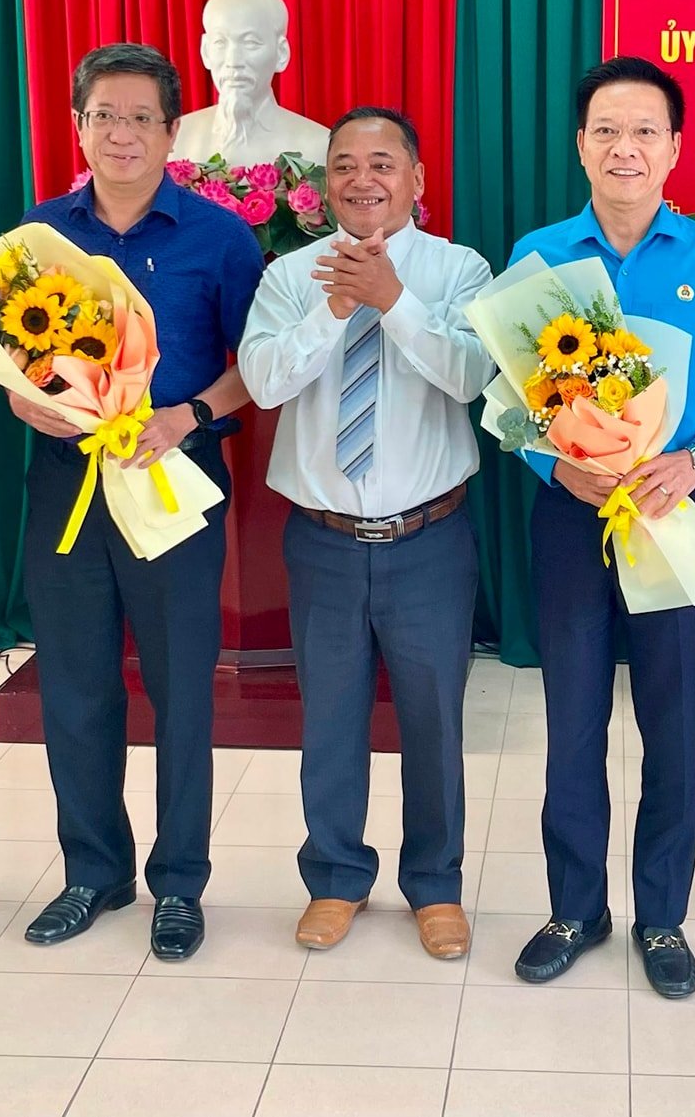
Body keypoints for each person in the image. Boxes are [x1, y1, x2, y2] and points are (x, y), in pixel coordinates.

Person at [506, 56, 695, 999]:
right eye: (606, 132)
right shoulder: (539, 256)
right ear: (580, 145)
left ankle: (661, 914)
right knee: (572, 722)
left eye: (645, 132)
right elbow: (504, 401)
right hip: (571, 517)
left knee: (673, 724)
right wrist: (557, 464)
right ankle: (575, 908)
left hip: (674, 511)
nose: (626, 148)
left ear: (674, 147)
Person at [14, 43, 265, 962]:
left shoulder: (219, 239)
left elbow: (257, 371)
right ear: (77, 126)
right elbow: (14, 362)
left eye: (141, 118)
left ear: (172, 132)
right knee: (76, 685)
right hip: (68, 489)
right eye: (103, 116)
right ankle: (93, 871)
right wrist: (22, 399)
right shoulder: (40, 235)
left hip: (174, 481)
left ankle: (179, 883)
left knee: (179, 691)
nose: (121, 133)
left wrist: (187, 413)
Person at [238, 107, 493, 960]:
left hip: (429, 538)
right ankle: (336, 877)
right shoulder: (288, 275)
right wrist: (334, 308)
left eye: (382, 162)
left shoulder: (459, 269)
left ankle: (436, 885)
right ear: (324, 184)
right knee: (332, 718)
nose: (361, 179)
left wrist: (394, 304)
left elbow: (473, 379)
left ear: (417, 178)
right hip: (322, 540)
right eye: (343, 164)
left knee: (433, 720)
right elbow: (264, 383)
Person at [169, 0, 330, 168]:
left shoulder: (319, 145)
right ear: (205, 52)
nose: (234, 61)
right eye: (220, 42)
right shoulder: (175, 140)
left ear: (281, 53)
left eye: (251, 42)